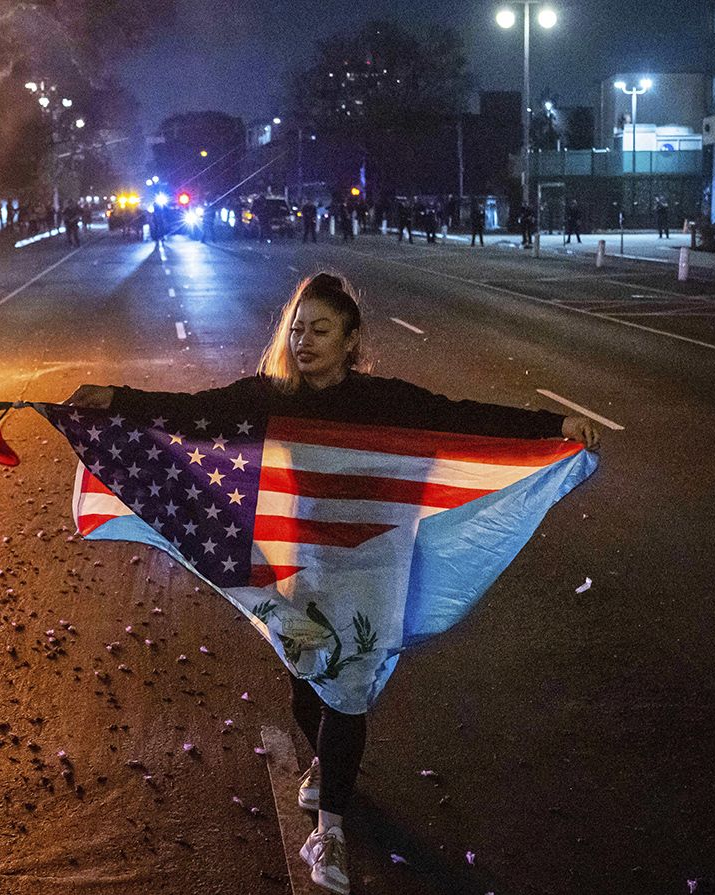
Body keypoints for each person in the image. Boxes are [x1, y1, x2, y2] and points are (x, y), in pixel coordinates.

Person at [66, 273, 601, 894]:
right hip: (299, 565)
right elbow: (192, 410)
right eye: (297, 329)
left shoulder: (385, 401)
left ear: (352, 341)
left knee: (346, 690)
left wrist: (550, 425)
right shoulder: (268, 396)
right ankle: (324, 764)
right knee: (306, 683)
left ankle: (332, 829)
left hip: (372, 567)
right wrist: (111, 397)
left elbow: (462, 418)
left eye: (321, 330)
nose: (304, 340)